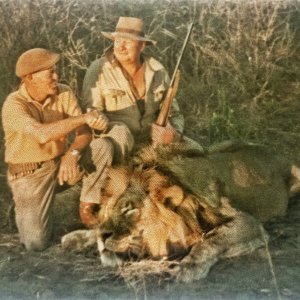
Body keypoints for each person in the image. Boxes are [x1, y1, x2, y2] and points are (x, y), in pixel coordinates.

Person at [2, 48, 111, 251]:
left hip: (61, 165)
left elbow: (84, 133)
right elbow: (42, 134)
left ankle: (85, 208)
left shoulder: (63, 92)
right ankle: (33, 206)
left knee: (102, 147)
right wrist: (84, 117)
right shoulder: (13, 105)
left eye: (55, 71)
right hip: (29, 175)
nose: (56, 77)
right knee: (36, 244)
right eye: (50, 73)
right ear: (29, 78)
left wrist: (73, 153)